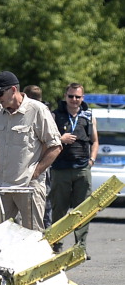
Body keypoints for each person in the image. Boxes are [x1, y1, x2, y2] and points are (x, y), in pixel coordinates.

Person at [0, 71, 62, 232]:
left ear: (13, 90)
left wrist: (35, 173)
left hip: (28, 186)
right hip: (2, 186)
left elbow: (55, 146)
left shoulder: (37, 110)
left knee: (32, 235)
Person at [49, 83, 98, 259]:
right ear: (65, 96)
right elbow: (47, 138)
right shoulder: (55, 115)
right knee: (59, 209)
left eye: (78, 97)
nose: (74, 100)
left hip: (82, 168)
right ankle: (56, 245)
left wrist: (92, 159)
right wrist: (61, 138)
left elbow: (95, 141)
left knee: (83, 209)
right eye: (71, 96)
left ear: (82, 98)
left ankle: (81, 247)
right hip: (60, 169)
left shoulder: (88, 116)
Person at [24, 84, 53, 229]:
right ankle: (46, 227)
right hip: (40, 166)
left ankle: (45, 228)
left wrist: (37, 169)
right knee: (43, 203)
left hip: (38, 167)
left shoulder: (40, 112)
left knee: (40, 203)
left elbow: (50, 144)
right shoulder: (45, 111)